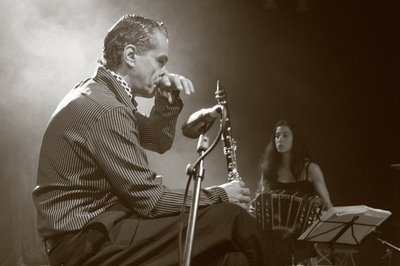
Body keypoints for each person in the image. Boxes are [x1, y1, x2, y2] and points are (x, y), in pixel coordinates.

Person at [33, 14, 278, 266]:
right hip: (87, 241)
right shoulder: (107, 108)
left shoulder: (100, 93)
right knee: (232, 219)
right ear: (130, 56)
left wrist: (166, 99)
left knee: (231, 259)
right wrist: (219, 195)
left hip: (95, 231)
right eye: (160, 62)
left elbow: (156, 140)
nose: (164, 72)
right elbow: (150, 201)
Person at [252, 120, 333, 265]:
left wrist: (319, 215)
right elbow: (262, 202)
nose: (280, 139)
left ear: (295, 139)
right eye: (277, 136)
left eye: (285, 135)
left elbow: (329, 207)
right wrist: (254, 206)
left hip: (303, 238)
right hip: (273, 238)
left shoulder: (311, 169)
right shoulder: (269, 170)